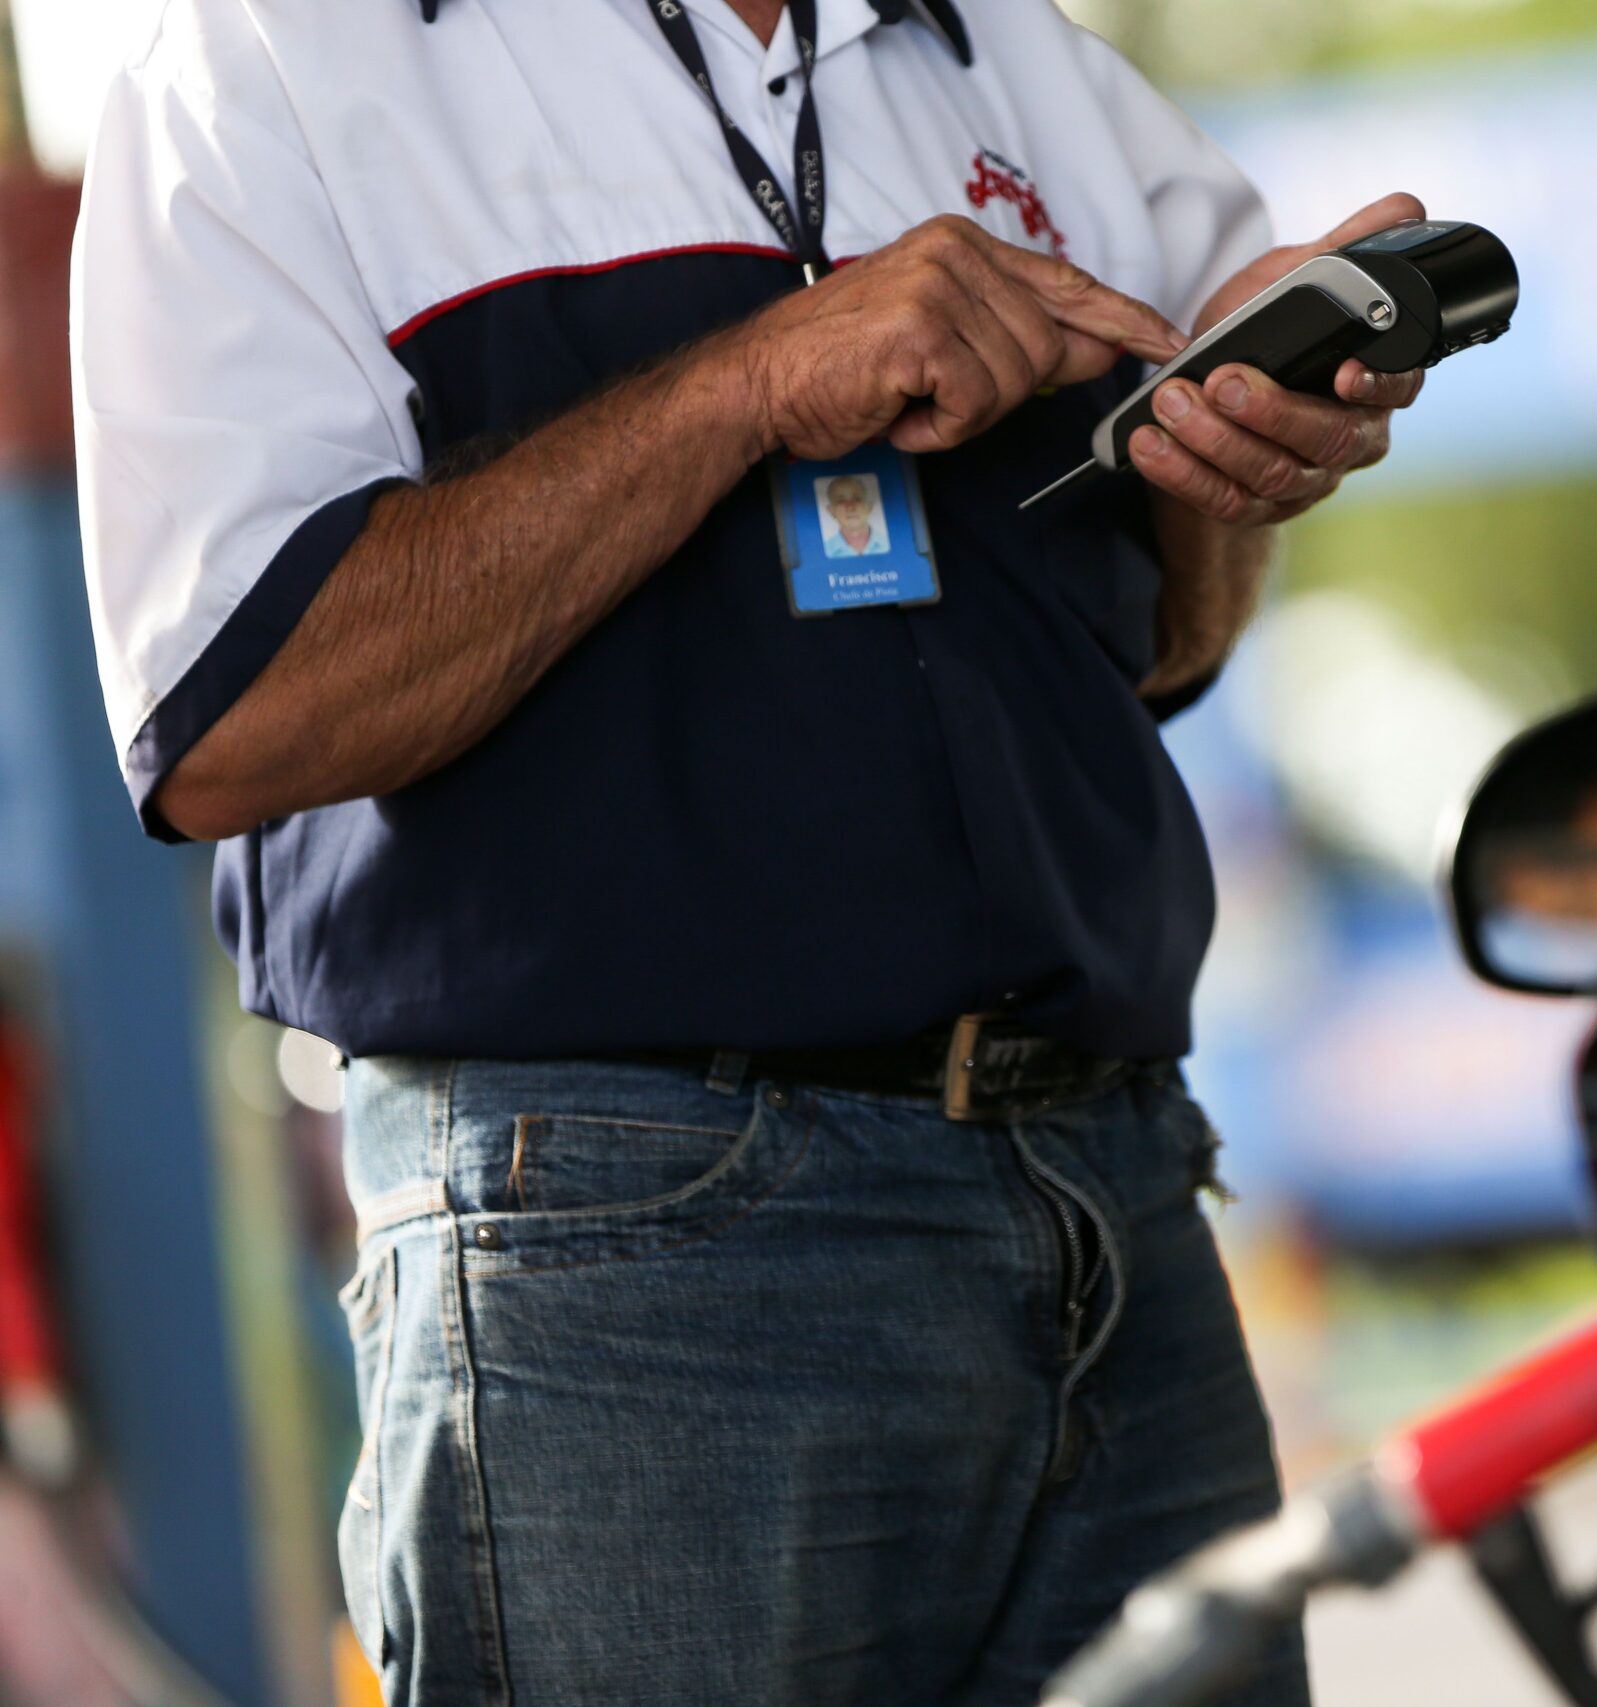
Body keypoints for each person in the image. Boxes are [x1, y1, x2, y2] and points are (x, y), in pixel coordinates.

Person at [69, 1, 1425, 1702]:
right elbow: (232, 721)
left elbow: (1153, 651)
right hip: (630, 1250)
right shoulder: (265, 64)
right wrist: (751, 380)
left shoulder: (1011, 53)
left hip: (1112, 1190)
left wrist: (1229, 456)